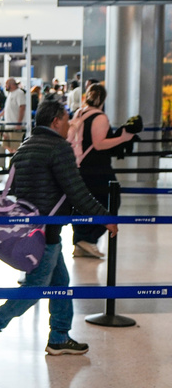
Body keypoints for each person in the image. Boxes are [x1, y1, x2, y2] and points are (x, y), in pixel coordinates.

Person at [0, 100, 116, 359]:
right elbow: (77, 191)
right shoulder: (59, 148)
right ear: (55, 121)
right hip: (47, 231)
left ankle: (59, 336)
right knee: (36, 288)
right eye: (66, 119)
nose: (69, 125)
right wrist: (105, 217)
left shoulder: (25, 146)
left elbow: (19, 193)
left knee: (61, 283)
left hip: (33, 229)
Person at [69, 83, 135, 259]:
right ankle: (88, 239)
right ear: (104, 99)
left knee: (82, 204)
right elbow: (99, 144)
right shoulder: (100, 117)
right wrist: (122, 138)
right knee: (111, 202)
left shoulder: (79, 113)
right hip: (98, 168)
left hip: (79, 166)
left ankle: (81, 241)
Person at [2, 78, 26, 153]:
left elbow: (22, 107)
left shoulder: (19, 93)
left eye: (6, 85)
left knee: (15, 146)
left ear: (11, 85)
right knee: (6, 145)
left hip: (15, 125)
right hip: (9, 125)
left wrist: (19, 123)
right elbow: (7, 108)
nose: (5, 86)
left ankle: (15, 163)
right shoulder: (10, 94)